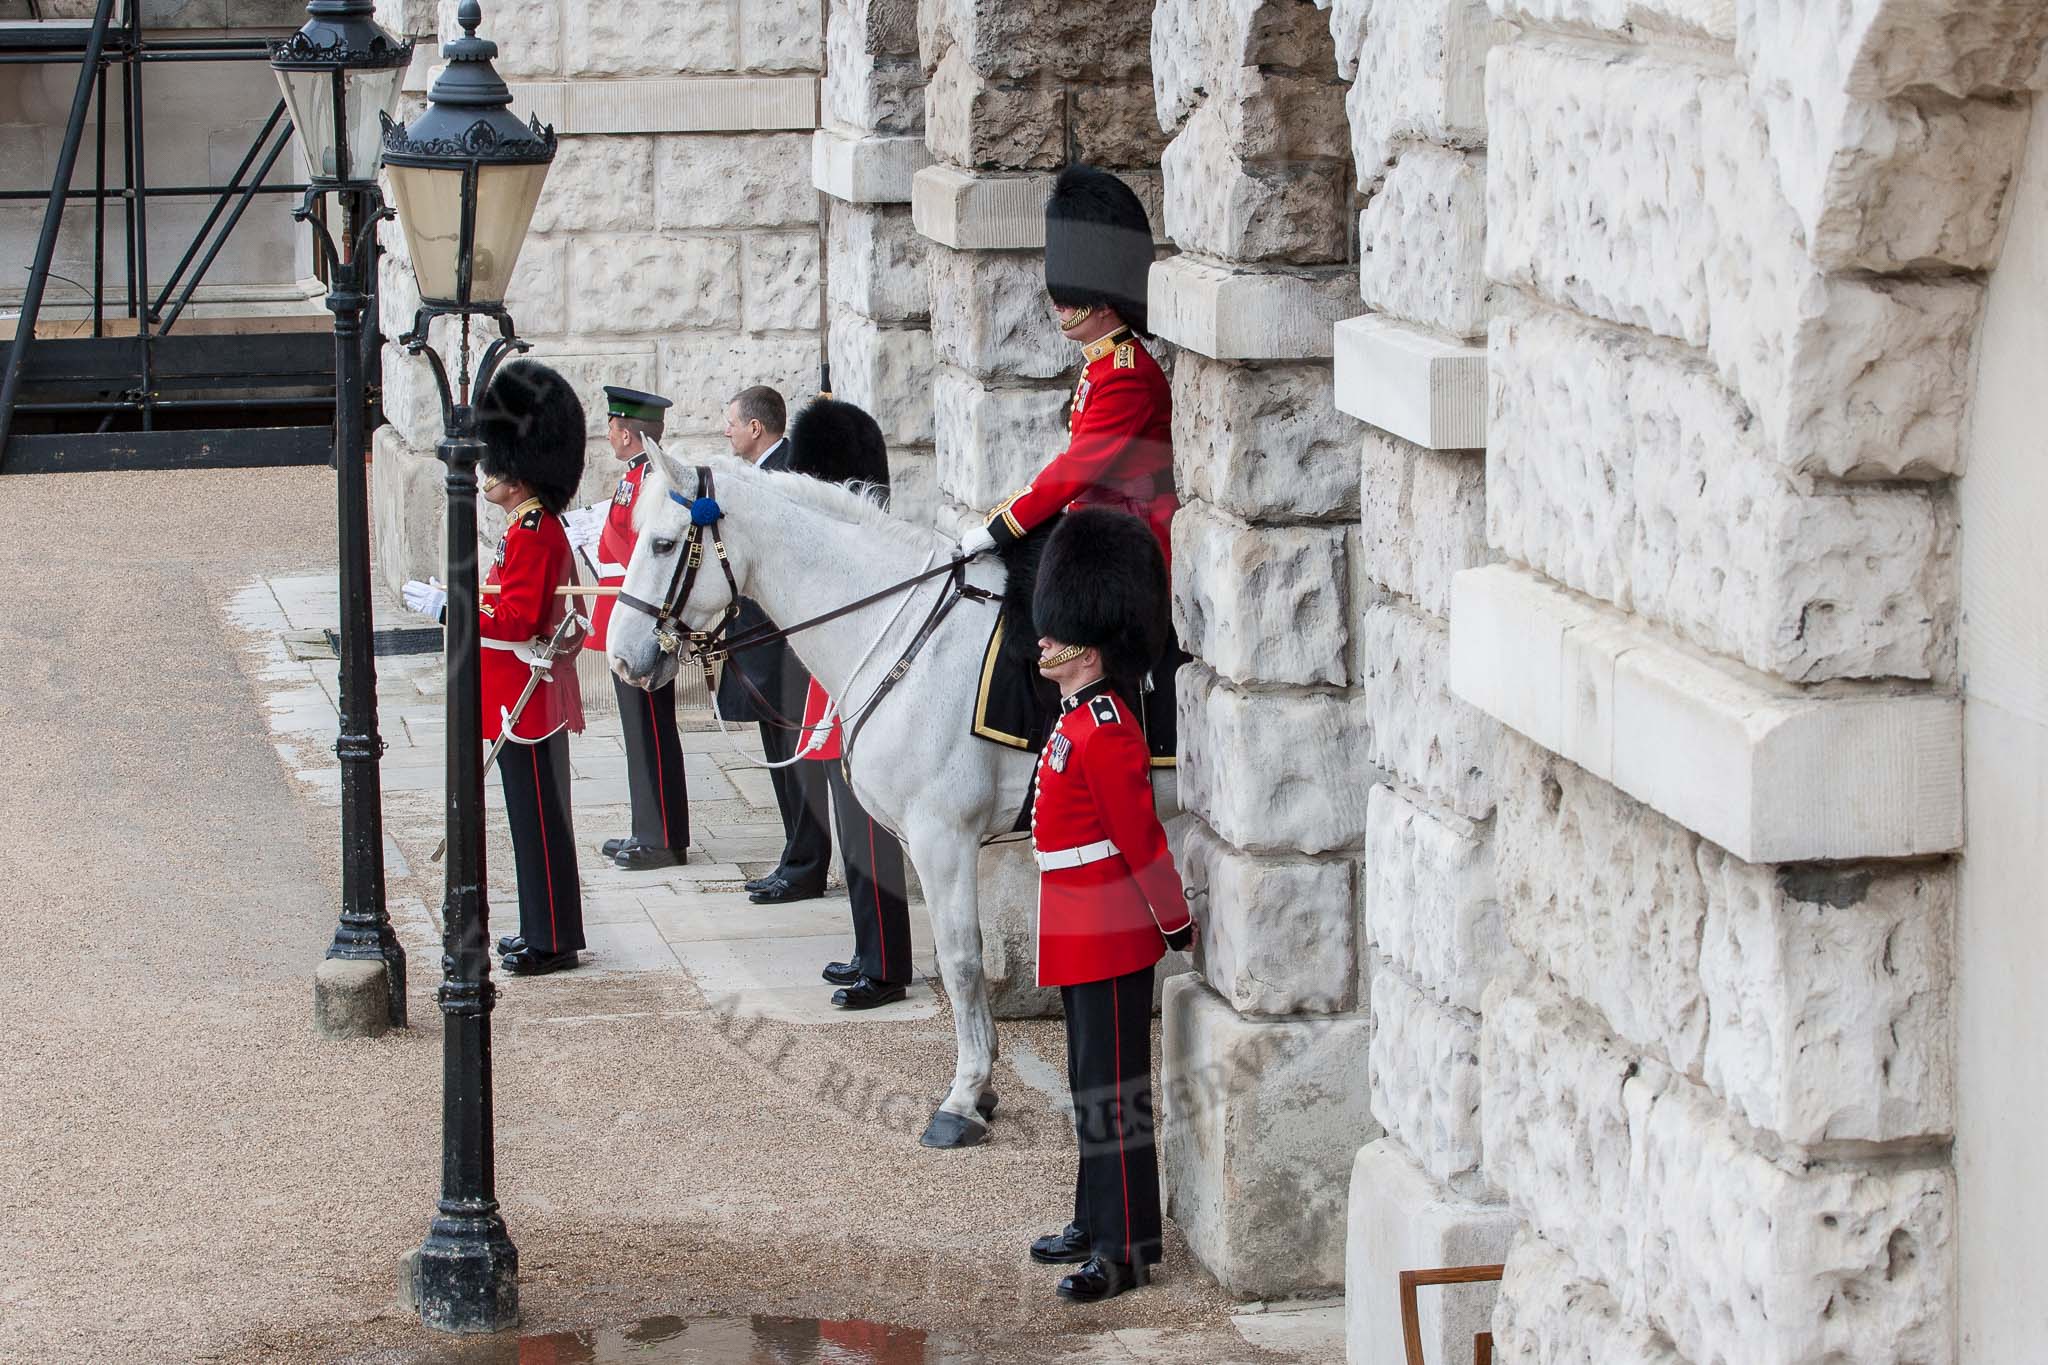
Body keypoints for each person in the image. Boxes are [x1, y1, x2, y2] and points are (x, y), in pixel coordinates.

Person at [1023, 506, 1196, 1303]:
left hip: (1114, 933)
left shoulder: (1107, 727)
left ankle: (1127, 1249)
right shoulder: (1075, 720)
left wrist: (1175, 920)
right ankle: (1096, 1221)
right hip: (1078, 927)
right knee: (1087, 1082)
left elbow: (1142, 840)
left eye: (1057, 636)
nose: (1045, 643)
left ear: (1088, 646)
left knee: (1114, 1093)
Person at [955, 164, 1183, 763]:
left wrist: (1002, 524)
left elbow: (1078, 470)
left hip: (1132, 536)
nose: (1062, 306)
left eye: (1074, 295)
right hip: (1100, 521)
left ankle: (1083, 740)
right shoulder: (1102, 361)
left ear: (1103, 300)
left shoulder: (1129, 374)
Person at [403, 360, 589, 976]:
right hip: (515, 695)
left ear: (520, 468)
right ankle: (545, 929)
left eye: (495, 465)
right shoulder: (524, 526)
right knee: (532, 822)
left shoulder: (535, 530)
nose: (485, 475)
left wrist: (449, 609)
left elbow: (518, 617)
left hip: (525, 700)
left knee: (537, 824)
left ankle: (553, 939)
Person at [782, 398, 914, 1011]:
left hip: (857, 692)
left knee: (867, 834)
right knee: (852, 830)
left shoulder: (862, 546)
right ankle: (870, 949)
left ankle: (886, 964)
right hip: (833, 690)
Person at [564, 385, 690, 871]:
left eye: (613, 427)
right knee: (640, 728)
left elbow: (634, 548)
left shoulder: (647, 479)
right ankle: (650, 827)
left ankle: (661, 837)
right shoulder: (635, 476)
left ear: (626, 432)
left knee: (650, 727)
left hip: (639, 617)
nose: (609, 435)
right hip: (627, 611)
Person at [718, 385, 831, 906]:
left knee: (795, 758)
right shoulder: (759, 475)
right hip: (759, 641)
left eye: (732, 422)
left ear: (756, 428)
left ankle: (806, 865)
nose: (727, 431)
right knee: (779, 756)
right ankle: (794, 856)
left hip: (783, 646)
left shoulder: (785, 476)